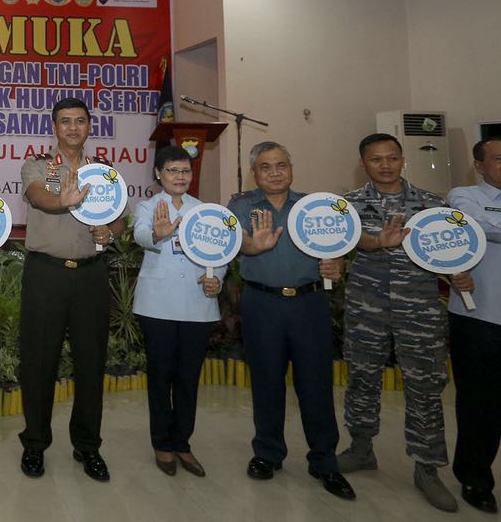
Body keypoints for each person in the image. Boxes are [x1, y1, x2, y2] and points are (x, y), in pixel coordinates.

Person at [337, 133, 462, 511]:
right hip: (366, 302)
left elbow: (450, 250)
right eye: (377, 159)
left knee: (424, 382)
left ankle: (427, 467)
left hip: (418, 305)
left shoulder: (430, 203)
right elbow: (345, 241)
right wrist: (376, 242)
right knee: (362, 374)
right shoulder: (349, 205)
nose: (385, 165)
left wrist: (460, 274)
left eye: (392, 158)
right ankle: (361, 448)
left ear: (403, 159)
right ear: (364, 163)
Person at [227, 142, 355, 500]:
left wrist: (337, 263)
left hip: (309, 304)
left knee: (315, 384)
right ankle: (268, 454)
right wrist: (257, 245)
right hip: (261, 304)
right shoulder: (239, 206)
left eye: (281, 164)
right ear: (254, 172)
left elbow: (338, 245)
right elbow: (235, 246)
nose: (275, 172)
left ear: (291, 168)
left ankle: (324, 461)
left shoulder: (315, 207)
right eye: (265, 167)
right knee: (266, 381)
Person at [16, 97, 122, 481]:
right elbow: (39, 197)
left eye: (80, 121)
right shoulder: (38, 166)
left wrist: (110, 231)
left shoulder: (105, 172)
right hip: (47, 274)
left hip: (91, 276)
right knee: (39, 362)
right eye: (65, 122)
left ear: (89, 127)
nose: (73, 128)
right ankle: (34, 444)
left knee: (91, 363)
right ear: (55, 127)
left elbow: (120, 220)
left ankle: (88, 446)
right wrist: (64, 199)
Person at [131, 145, 222, 478]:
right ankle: (162, 444)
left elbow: (220, 252)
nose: (180, 177)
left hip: (198, 304)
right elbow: (141, 234)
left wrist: (218, 280)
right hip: (157, 306)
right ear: (158, 174)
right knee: (160, 376)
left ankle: (182, 443)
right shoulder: (148, 207)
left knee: (188, 378)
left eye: (185, 171)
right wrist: (159, 233)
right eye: (172, 170)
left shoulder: (206, 210)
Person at [446, 137, 501, 513]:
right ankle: (475, 477)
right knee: (480, 405)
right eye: (499, 159)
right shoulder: (463, 196)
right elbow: (478, 227)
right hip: (480, 317)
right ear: (479, 166)